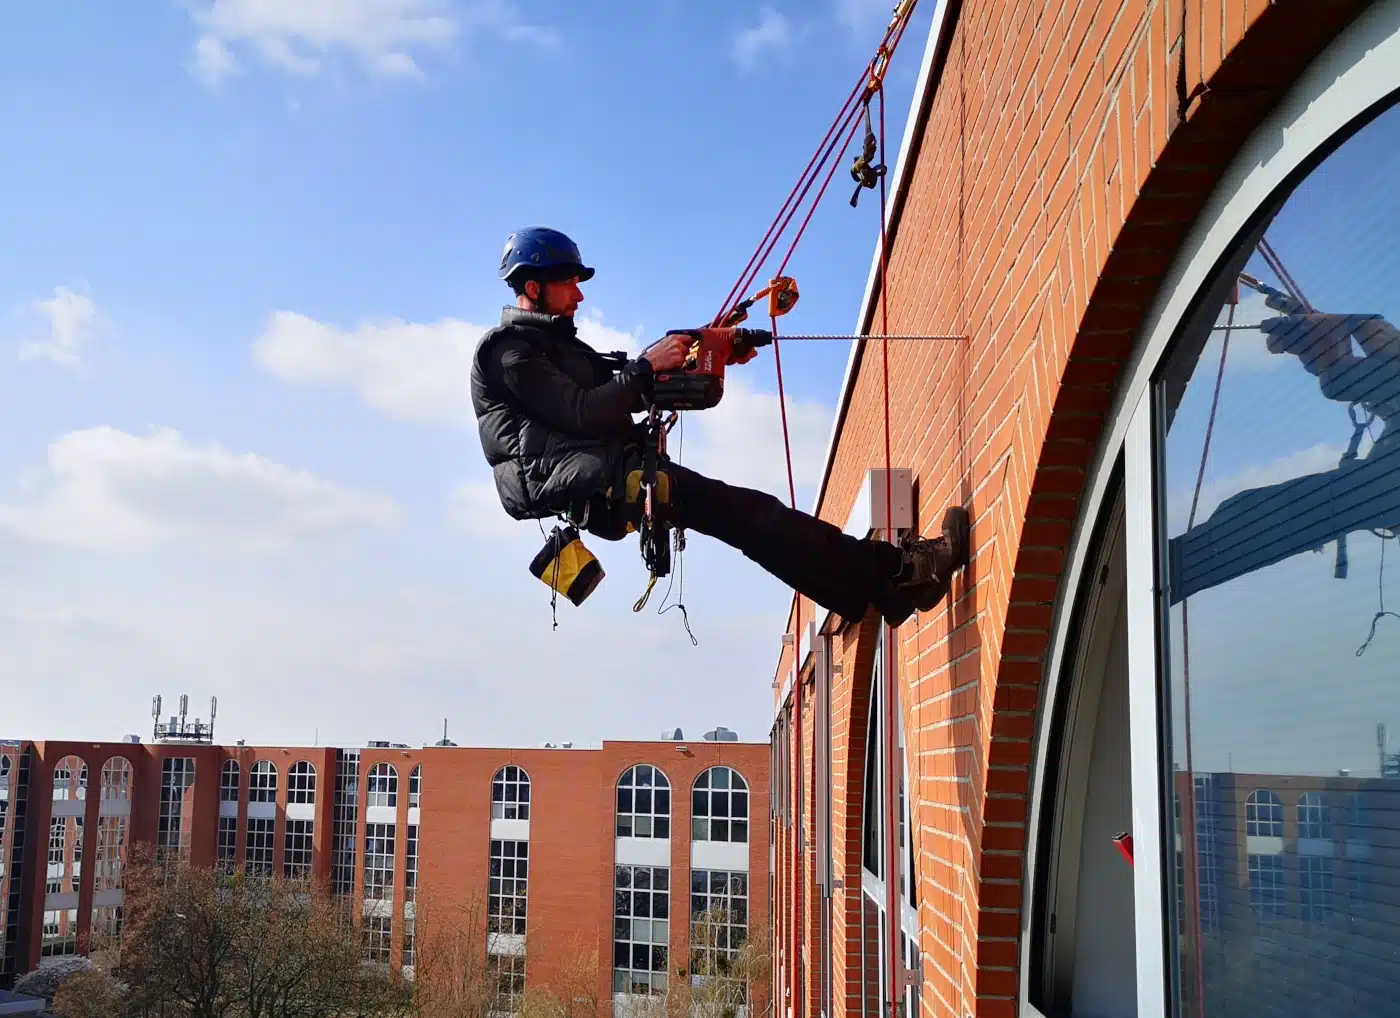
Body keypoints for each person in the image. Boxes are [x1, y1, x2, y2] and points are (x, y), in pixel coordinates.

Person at [469, 227, 970, 626]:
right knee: (755, 517)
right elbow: (584, 409)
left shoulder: (556, 349)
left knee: (753, 523)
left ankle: (877, 591)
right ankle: (899, 576)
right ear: (533, 286)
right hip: (598, 484)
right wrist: (646, 369)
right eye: (569, 282)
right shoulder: (509, 354)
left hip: (611, 477)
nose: (579, 294)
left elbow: (621, 385)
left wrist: (709, 351)